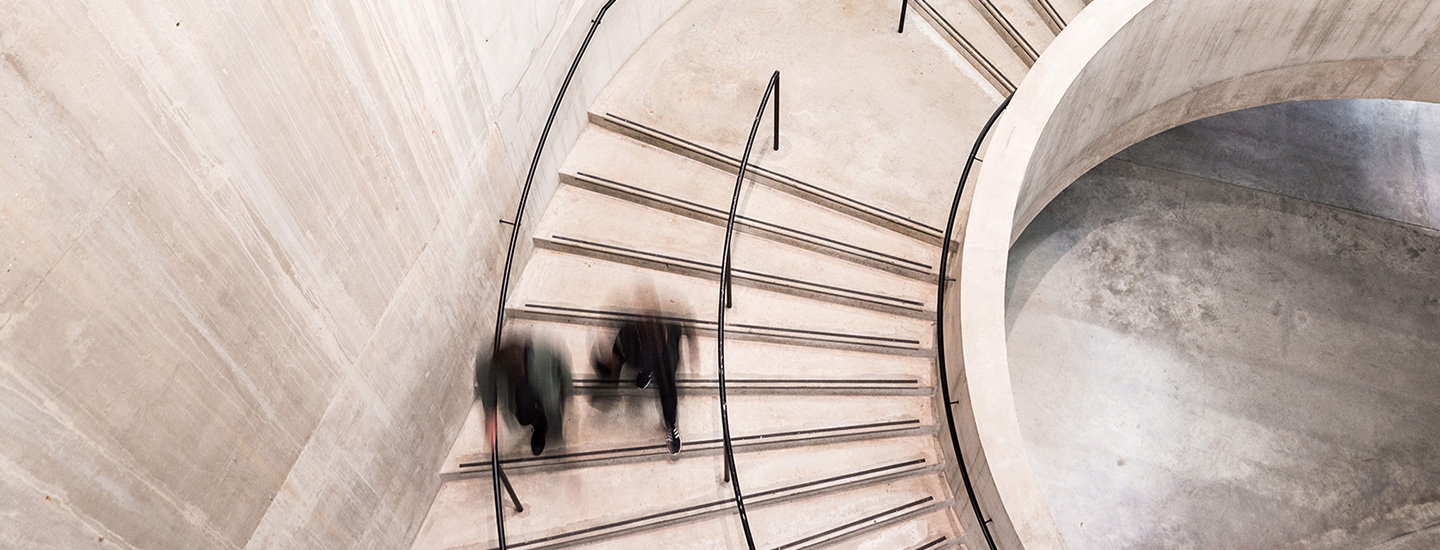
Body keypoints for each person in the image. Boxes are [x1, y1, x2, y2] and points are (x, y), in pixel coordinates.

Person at [592, 316, 696, 454]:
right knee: (630, 356)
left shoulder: (670, 355)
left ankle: (671, 425)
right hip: (641, 354)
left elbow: (669, 390)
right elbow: (618, 353)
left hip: (663, 365)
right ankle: (646, 371)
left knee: (668, 392)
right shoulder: (629, 333)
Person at [475, 336, 572, 456]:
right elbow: (486, 380)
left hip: (545, 386)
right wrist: (490, 415)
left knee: (553, 409)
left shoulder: (543, 353)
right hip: (521, 390)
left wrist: (567, 387)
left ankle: (555, 429)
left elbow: (561, 364)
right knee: (524, 416)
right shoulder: (491, 368)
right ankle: (540, 425)